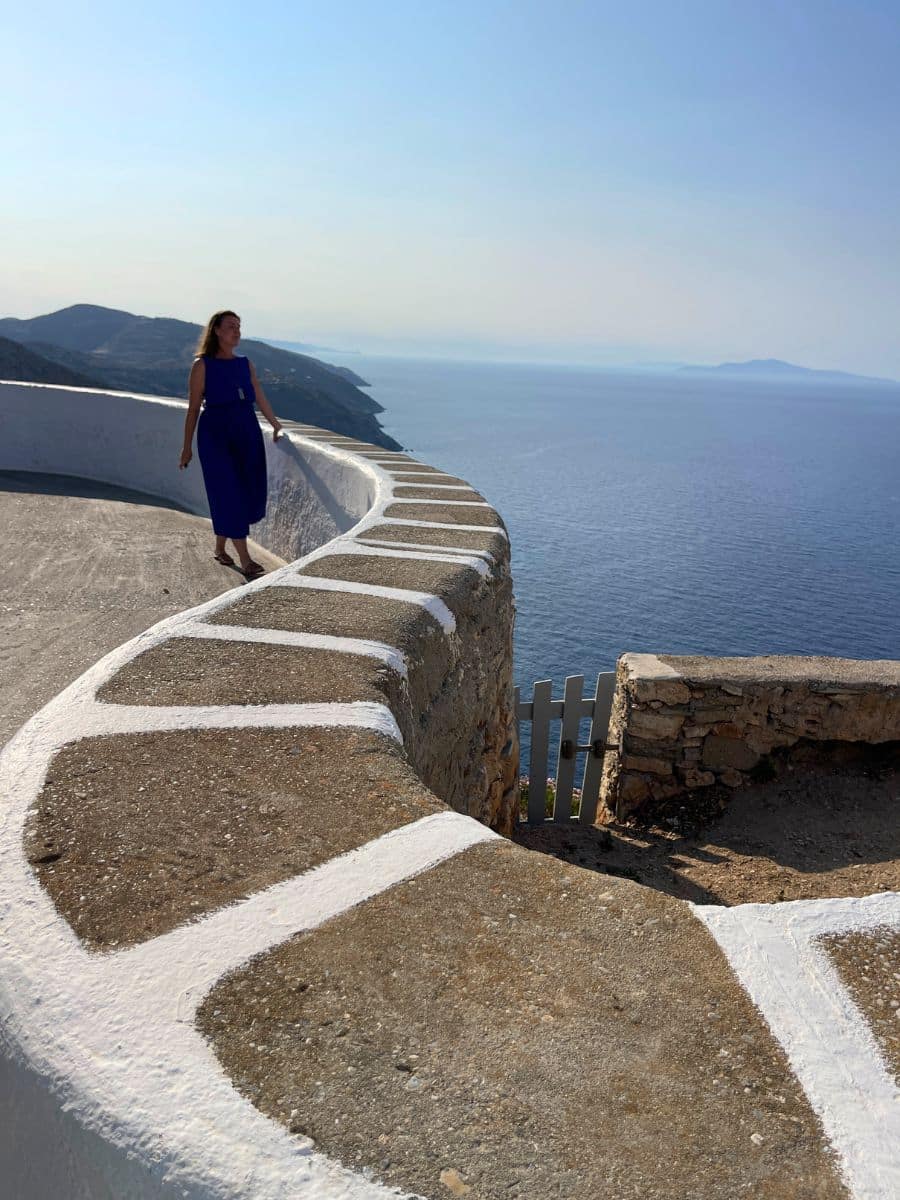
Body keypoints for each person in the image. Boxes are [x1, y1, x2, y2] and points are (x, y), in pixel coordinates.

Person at [179, 310, 282, 579]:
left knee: (244, 491)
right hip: (215, 435)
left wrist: (275, 424)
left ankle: (220, 548)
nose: (236, 331)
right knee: (228, 492)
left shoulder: (245, 363)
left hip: (246, 431)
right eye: (230, 326)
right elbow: (192, 409)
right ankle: (246, 560)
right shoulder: (202, 365)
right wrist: (187, 446)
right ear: (216, 331)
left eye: (239, 326)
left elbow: (259, 396)